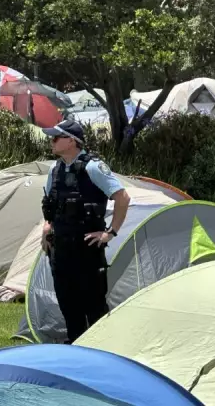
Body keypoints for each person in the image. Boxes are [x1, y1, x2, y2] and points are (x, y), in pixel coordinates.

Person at [40, 119, 131, 343]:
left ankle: (102, 353)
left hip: (87, 253)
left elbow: (123, 197)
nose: (51, 141)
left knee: (95, 310)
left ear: (72, 141)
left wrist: (110, 233)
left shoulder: (93, 168)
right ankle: (76, 351)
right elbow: (51, 204)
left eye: (56, 137)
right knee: (69, 310)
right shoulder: (55, 170)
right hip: (61, 253)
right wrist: (47, 227)